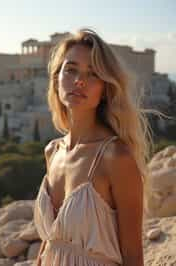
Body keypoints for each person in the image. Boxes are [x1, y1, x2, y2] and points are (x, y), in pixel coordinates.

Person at [34, 28, 150, 266]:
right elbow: (50, 242)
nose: (79, 81)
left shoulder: (115, 157)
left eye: (93, 74)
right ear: (57, 79)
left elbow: (133, 255)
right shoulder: (52, 152)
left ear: (105, 90)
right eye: (71, 69)